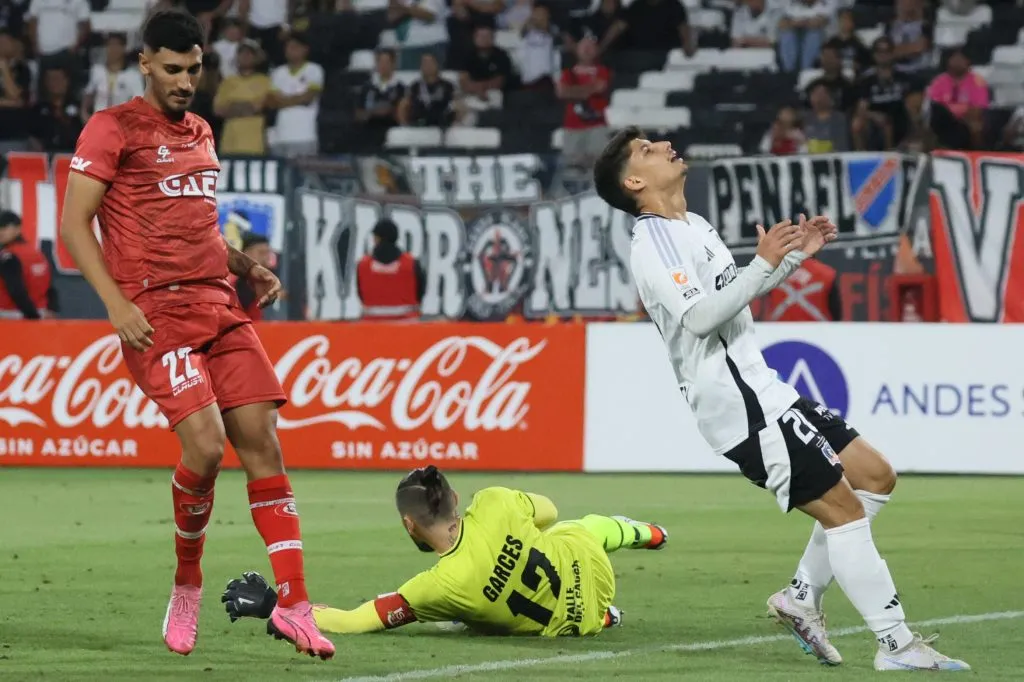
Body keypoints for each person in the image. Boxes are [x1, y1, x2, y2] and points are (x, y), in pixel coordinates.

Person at [591, 126, 970, 672]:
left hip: (767, 387)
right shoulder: (653, 242)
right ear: (633, 180)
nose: (666, 146)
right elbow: (699, 319)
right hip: (740, 406)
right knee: (844, 512)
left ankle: (800, 597)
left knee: (874, 476)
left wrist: (792, 260)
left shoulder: (693, 225)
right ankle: (897, 645)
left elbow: (732, 300)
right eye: (648, 151)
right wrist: (765, 264)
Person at [59, 9, 334, 660]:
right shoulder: (112, 128)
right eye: (174, 69)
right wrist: (116, 305)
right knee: (207, 450)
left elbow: (199, 226)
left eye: (196, 68)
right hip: (155, 314)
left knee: (263, 444)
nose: (186, 81)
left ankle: (295, 605)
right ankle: (187, 579)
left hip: (220, 304)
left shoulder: (204, 132)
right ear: (146, 62)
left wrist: (245, 265)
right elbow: (74, 226)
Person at [221, 465, 667, 636]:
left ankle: (608, 614)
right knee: (577, 528)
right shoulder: (493, 502)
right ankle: (646, 533)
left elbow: (356, 621)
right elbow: (549, 512)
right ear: (455, 500)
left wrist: (274, 606)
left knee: (468, 617)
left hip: (577, 622)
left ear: (408, 525)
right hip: (593, 569)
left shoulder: (435, 587)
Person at [267, 33, 324, 158]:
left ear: (305, 49)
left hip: (305, 135)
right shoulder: (278, 72)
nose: (291, 50)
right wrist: (297, 99)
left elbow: (308, 98)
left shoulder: (314, 69)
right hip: (281, 135)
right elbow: (271, 102)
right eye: (288, 47)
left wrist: (283, 101)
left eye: (295, 46)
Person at [356, 218, 425, 321]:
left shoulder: (363, 265)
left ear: (377, 238)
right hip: (408, 327)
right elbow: (420, 292)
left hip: (372, 327)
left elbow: (361, 294)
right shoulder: (412, 264)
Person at [213, 39, 271, 154]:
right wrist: (248, 106)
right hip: (229, 144)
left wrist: (232, 107)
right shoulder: (227, 82)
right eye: (242, 53)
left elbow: (260, 107)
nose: (245, 57)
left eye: (249, 54)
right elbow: (218, 110)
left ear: (256, 58)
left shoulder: (265, 81)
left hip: (255, 144)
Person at [0, 210, 57, 319]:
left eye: (5, 227)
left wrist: (33, 316)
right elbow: (50, 288)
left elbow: (16, 290)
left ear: (18, 228)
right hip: (40, 313)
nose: (1, 232)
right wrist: (51, 309)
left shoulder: (8, 256)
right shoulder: (38, 254)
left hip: (11, 317)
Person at [82, 33, 146, 119]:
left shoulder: (133, 76)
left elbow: (139, 103)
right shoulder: (97, 71)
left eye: (117, 45)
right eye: (110, 45)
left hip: (121, 123)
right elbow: (88, 96)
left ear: (124, 48)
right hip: (98, 122)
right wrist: (84, 115)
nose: (113, 49)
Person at [765, 257, 842, 321]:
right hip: (818, 335)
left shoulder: (773, 273)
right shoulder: (827, 274)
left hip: (780, 335)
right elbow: (836, 314)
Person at [229, 231, 275, 322]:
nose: (265, 258)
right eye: (261, 253)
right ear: (246, 254)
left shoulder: (271, 282)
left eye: (267, 253)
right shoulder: (238, 283)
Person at [803, 82, 849, 153]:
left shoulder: (839, 118)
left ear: (830, 98)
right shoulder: (806, 118)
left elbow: (841, 145)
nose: (817, 98)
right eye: (814, 94)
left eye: (821, 94)